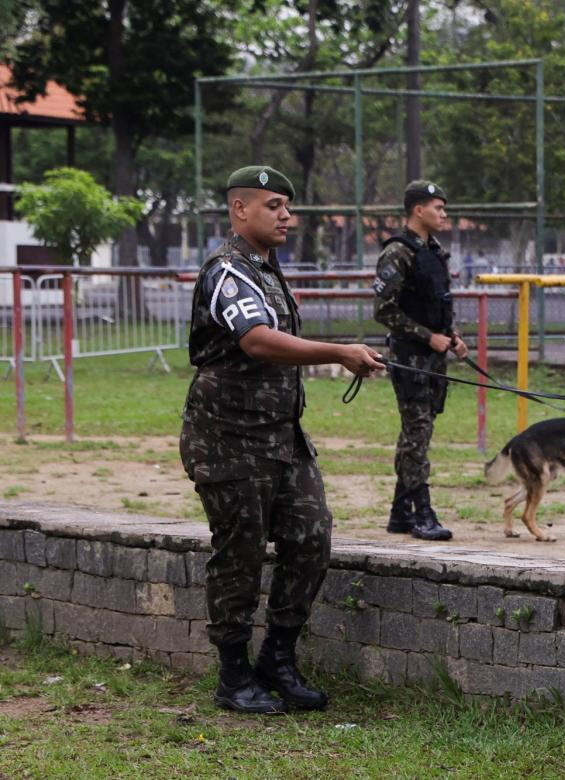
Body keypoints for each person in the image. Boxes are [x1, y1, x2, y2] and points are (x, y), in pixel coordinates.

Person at [180, 165, 385, 715]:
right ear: (239, 209)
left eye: (287, 206)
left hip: (281, 437)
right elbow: (257, 341)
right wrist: (340, 352)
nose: (287, 215)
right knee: (239, 555)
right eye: (273, 205)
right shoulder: (227, 272)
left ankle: (278, 658)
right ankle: (232, 675)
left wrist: (344, 355)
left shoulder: (267, 270)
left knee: (312, 538)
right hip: (227, 439)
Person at [374, 179, 469, 541]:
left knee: (419, 432)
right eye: (438, 207)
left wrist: (453, 336)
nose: (443, 214)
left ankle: (400, 512)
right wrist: (428, 337)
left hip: (434, 359)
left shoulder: (434, 251)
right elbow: (383, 310)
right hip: (410, 358)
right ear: (418, 210)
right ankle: (420, 513)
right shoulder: (398, 252)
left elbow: (438, 304)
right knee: (416, 434)